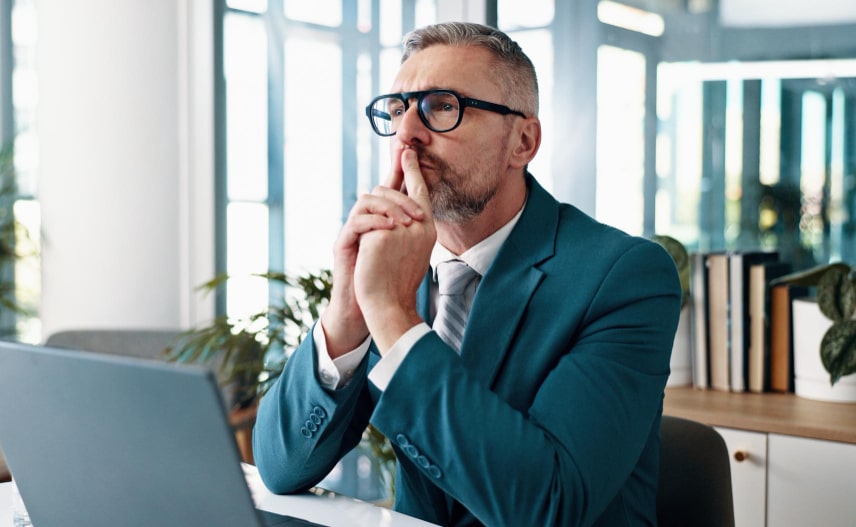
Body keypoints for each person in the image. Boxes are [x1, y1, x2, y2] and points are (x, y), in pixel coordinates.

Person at [253, 21, 681, 527]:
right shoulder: (390, 266)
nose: (407, 134)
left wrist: (392, 315)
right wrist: (347, 308)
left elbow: (548, 506)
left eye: (441, 107)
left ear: (522, 141)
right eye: (397, 110)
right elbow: (281, 468)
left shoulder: (623, 276)